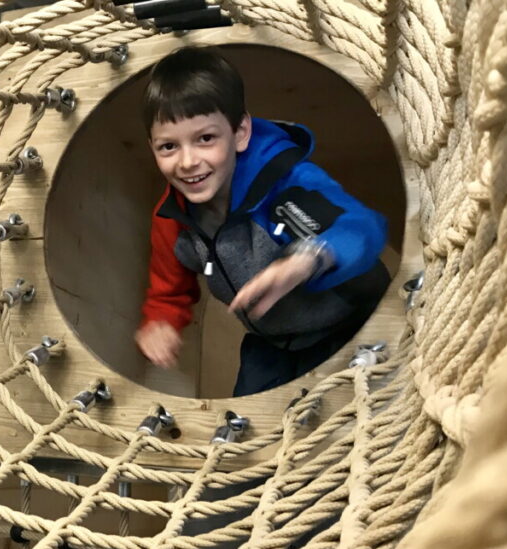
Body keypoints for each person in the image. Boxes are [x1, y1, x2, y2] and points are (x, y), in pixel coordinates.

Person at [135, 46, 391, 397]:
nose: (188, 161)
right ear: (151, 147)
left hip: (345, 324)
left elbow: (362, 228)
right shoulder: (172, 218)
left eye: (205, 138)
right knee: (250, 427)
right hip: (271, 344)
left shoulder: (282, 181)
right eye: (168, 147)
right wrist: (161, 321)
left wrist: (307, 261)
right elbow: (169, 288)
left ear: (240, 132)